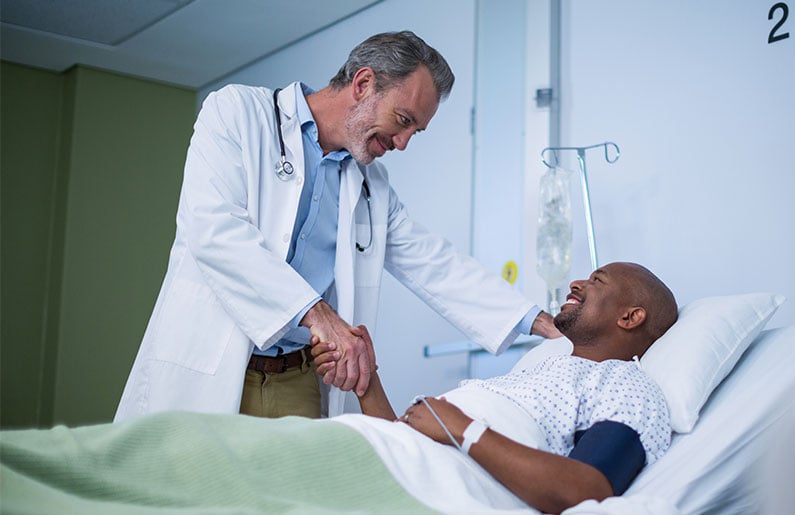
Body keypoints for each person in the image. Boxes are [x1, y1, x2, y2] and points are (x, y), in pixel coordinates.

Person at [114, 30, 559, 423]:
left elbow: (435, 264)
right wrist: (315, 311)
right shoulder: (237, 114)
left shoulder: (370, 186)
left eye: (414, 133)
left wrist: (540, 323)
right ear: (364, 84)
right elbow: (215, 231)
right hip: (211, 364)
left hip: (297, 380)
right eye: (403, 121)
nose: (402, 144)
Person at [313, 261, 678, 513]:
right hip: (381, 458)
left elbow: (588, 490)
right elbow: (410, 446)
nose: (576, 283)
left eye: (597, 281)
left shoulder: (625, 385)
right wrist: (366, 379)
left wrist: (462, 429)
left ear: (630, 317)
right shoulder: (543, 368)